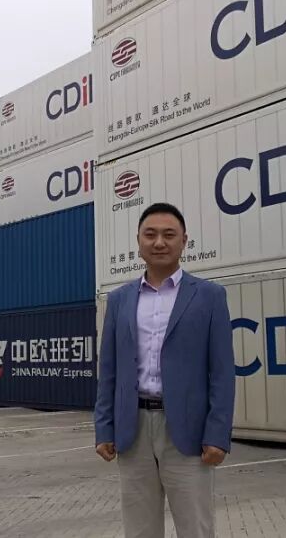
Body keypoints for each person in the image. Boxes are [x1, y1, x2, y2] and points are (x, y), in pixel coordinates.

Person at [94, 202, 236, 538]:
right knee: (139, 529)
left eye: (169, 235)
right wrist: (104, 427)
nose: (159, 242)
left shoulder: (210, 297)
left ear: (184, 241)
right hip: (133, 430)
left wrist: (217, 434)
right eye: (151, 234)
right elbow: (109, 370)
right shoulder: (119, 300)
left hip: (188, 432)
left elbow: (222, 372)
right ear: (138, 241)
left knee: (196, 527)